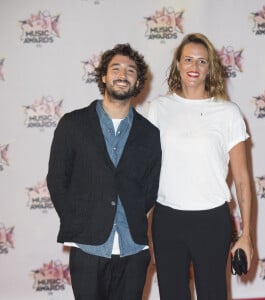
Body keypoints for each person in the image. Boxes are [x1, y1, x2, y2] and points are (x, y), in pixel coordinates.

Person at [46, 43, 161, 300]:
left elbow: (151, 188)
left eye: (130, 71)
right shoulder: (73, 125)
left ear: (138, 80)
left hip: (134, 248)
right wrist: (79, 220)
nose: (123, 75)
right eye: (116, 68)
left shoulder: (150, 134)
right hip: (87, 247)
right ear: (103, 76)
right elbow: (56, 179)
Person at [146, 33, 253, 300]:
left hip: (212, 221)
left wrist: (247, 235)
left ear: (210, 68)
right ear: (178, 64)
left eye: (202, 61)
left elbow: (241, 178)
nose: (194, 67)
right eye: (188, 60)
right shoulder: (158, 108)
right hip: (167, 220)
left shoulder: (228, 113)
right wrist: (146, 227)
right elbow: (146, 173)